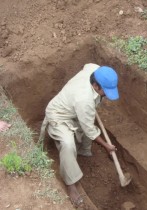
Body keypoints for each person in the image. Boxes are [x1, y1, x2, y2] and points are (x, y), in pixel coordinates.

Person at [40, 63, 119, 208]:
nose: (107, 95)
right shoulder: (85, 100)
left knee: (88, 124)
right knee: (68, 144)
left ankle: (84, 151)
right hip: (58, 115)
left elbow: (88, 64)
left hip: (74, 109)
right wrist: (107, 146)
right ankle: (71, 184)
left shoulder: (94, 70)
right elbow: (89, 130)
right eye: (106, 91)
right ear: (95, 85)